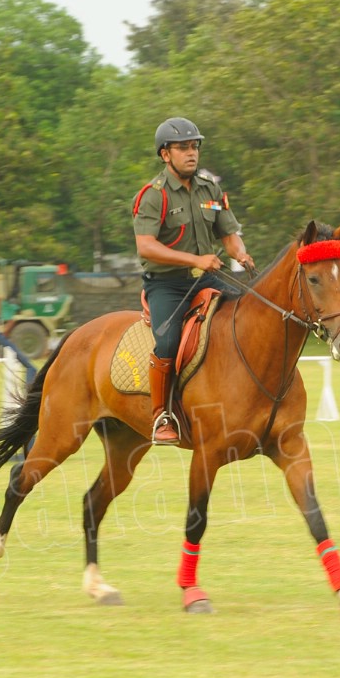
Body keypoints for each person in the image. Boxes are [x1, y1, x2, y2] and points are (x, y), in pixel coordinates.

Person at [132, 117, 254, 445]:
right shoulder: (153, 196)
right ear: (165, 154)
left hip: (207, 279)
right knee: (169, 342)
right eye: (183, 147)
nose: (191, 153)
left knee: (247, 317)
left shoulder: (210, 189)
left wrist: (240, 253)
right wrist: (195, 259)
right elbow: (146, 245)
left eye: (195, 146)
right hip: (166, 285)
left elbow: (228, 234)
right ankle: (161, 416)